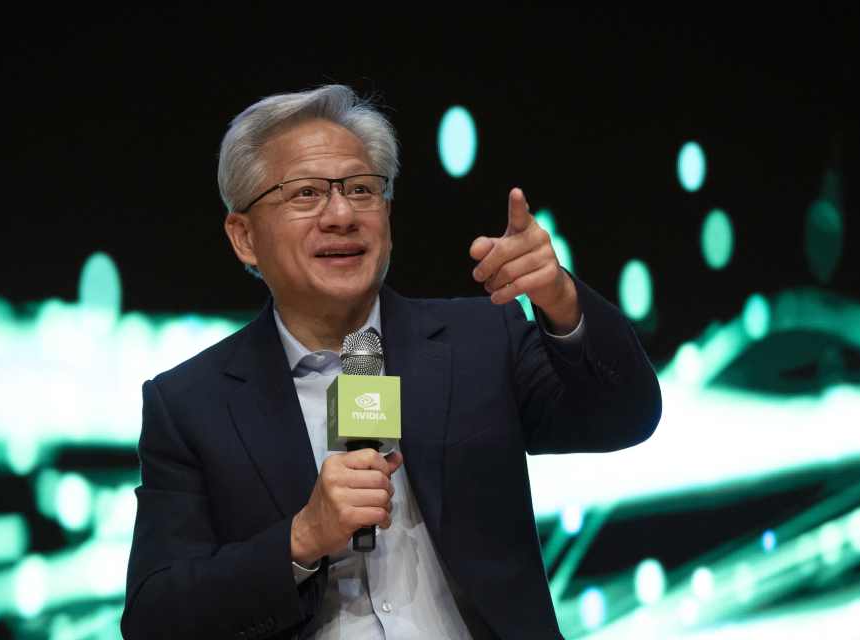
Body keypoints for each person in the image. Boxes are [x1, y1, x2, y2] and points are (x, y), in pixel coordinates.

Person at [121, 85, 661, 639]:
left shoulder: (479, 340)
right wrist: (301, 539)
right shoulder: (191, 405)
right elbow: (153, 619)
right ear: (244, 237)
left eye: (361, 189)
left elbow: (626, 415)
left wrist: (560, 299)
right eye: (305, 193)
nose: (341, 214)